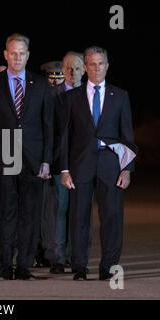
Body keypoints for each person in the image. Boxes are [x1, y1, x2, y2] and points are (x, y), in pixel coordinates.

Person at [0, 33, 54, 280]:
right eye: (13, 52)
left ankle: (24, 266)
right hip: (2, 160)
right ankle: (4, 266)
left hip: (33, 162)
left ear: (28, 55)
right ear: (6, 54)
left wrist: (46, 160)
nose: (17, 57)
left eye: (22, 53)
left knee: (29, 215)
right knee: (5, 213)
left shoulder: (41, 85)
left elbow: (48, 126)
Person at [61, 46, 136, 281]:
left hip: (110, 165)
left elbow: (127, 137)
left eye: (101, 63)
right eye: (92, 64)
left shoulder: (120, 96)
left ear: (107, 66)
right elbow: (64, 136)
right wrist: (64, 169)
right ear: (85, 67)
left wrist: (127, 168)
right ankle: (80, 267)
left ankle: (109, 267)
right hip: (80, 165)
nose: (97, 68)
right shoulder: (71, 98)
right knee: (79, 218)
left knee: (112, 218)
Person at [47, 51, 86, 274]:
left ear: (85, 69)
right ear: (63, 70)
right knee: (58, 209)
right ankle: (57, 258)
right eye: (69, 68)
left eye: (78, 67)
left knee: (80, 211)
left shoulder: (90, 95)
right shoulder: (52, 95)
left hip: (83, 164)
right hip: (58, 162)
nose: (73, 72)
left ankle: (77, 256)